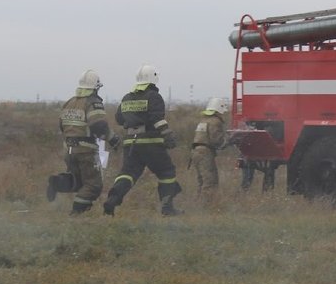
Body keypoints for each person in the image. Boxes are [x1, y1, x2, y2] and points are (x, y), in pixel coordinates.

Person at [103, 65, 182, 216]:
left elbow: (119, 119)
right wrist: (168, 136)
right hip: (150, 142)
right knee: (166, 171)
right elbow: (157, 119)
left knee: (128, 173)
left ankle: (112, 199)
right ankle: (167, 207)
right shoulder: (153, 96)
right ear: (153, 79)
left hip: (130, 143)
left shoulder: (127, 97)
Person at [47, 70, 120, 215]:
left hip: (68, 150)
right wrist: (114, 140)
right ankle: (76, 214)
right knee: (93, 185)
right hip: (86, 151)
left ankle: (57, 182)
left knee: (79, 181)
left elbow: (62, 125)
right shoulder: (93, 102)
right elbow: (99, 126)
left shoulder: (70, 102)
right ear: (95, 87)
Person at [190, 97, 227, 197]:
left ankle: (198, 202)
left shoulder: (204, 120)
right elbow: (216, 140)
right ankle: (207, 206)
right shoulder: (216, 121)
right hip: (205, 152)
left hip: (195, 152)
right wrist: (227, 142)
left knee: (201, 180)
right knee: (210, 181)